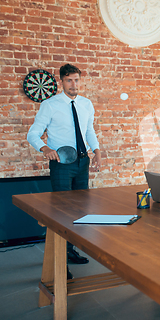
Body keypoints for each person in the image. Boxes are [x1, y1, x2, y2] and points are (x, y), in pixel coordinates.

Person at [27, 64, 102, 275]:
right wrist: (45, 148)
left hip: (82, 163)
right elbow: (33, 133)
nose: (73, 84)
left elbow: (89, 130)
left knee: (78, 211)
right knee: (61, 213)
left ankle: (70, 251)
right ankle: (59, 262)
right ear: (62, 81)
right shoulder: (50, 105)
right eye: (69, 80)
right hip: (61, 164)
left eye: (76, 80)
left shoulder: (86, 104)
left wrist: (96, 150)